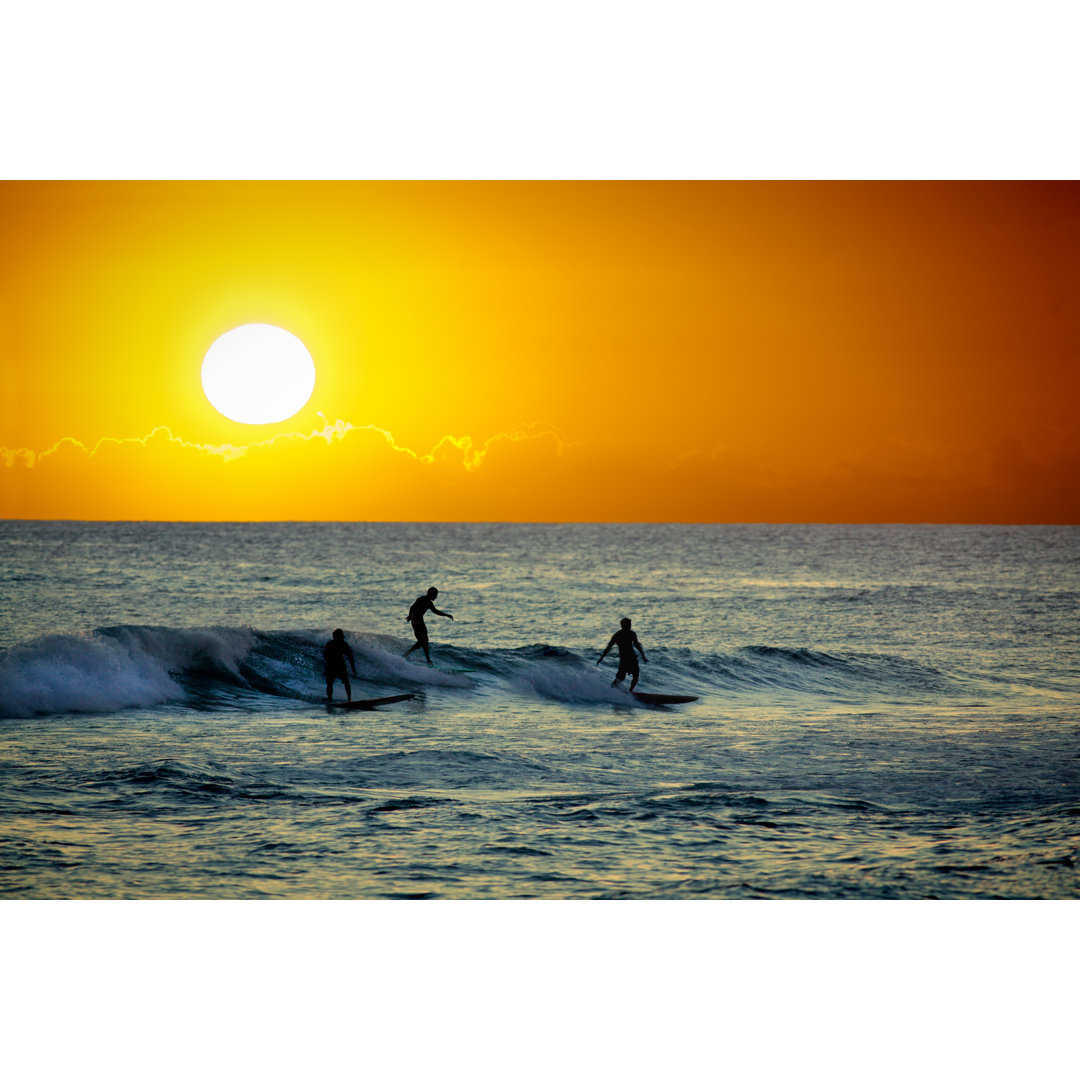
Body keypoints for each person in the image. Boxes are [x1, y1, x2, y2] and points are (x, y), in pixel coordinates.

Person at [404, 587, 454, 664]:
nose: (436, 597)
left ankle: (408, 654)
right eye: (435, 595)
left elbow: (435, 611)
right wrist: (410, 616)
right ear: (431, 594)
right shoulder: (423, 600)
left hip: (418, 621)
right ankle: (427, 660)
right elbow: (412, 607)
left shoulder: (428, 602)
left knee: (423, 641)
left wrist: (410, 616)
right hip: (416, 622)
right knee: (423, 641)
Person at [597, 617, 647, 691]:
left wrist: (643, 656)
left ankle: (631, 691)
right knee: (621, 677)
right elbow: (608, 647)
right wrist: (601, 658)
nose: (630, 626)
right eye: (628, 625)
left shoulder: (632, 634)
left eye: (630, 624)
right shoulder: (617, 635)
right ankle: (611, 689)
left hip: (632, 657)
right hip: (624, 659)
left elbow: (637, 645)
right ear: (623, 625)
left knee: (636, 676)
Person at [323, 628, 357, 702]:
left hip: (340, 664)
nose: (341, 637)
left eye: (341, 636)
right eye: (340, 636)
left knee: (346, 681)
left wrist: (353, 668)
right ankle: (330, 699)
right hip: (332, 665)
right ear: (335, 636)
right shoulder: (330, 644)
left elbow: (350, 656)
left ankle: (349, 699)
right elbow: (325, 655)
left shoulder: (344, 644)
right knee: (330, 683)